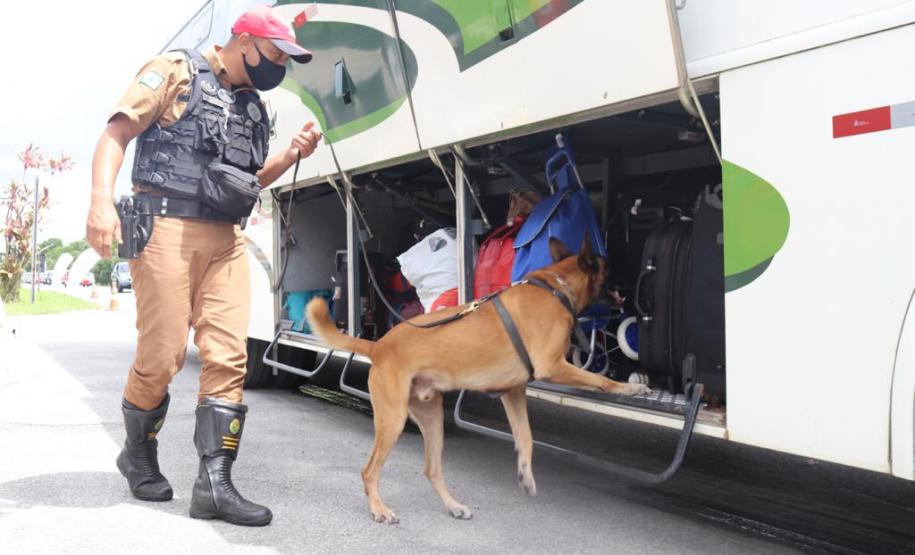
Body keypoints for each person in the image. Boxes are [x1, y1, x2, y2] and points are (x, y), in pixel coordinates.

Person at [84, 6, 321, 527]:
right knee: (163, 355)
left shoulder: (253, 108)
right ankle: (139, 454)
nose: (279, 65)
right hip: (164, 229)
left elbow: (250, 178)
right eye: (276, 53)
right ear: (243, 41)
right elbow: (116, 134)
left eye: (286, 58)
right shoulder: (174, 71)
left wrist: (291, 154)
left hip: (225, 240)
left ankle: (214, 485)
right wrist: (101, 203)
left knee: (228, 355)